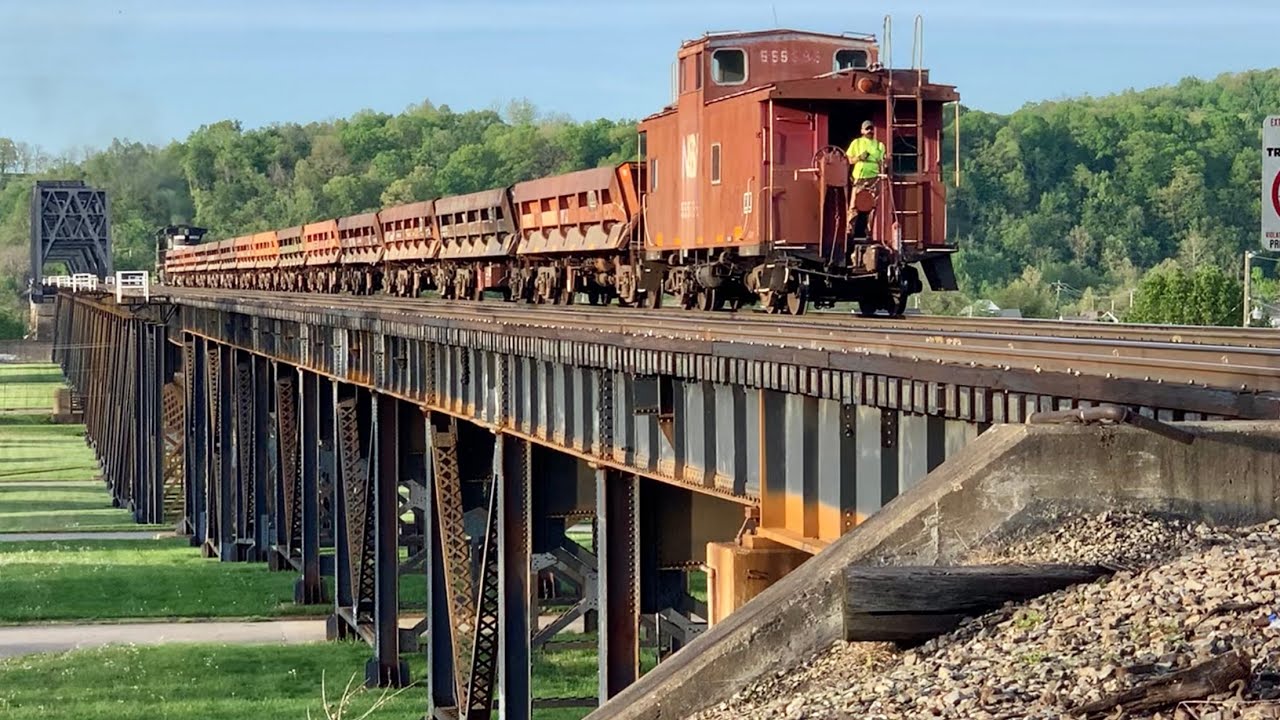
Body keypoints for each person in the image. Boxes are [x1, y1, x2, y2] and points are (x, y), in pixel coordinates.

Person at [846, 120, 886, 239]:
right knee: (854, 206)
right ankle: (849, 232)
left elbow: (883, 161)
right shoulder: (856, 143)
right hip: (859, 179)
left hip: (874, 179)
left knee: (872, 207)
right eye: (867, 129)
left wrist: (884, 166)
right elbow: (848, 160)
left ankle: (869, 233)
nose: (869, 131)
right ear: (862, 131)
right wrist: (859, 158)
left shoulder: (880, 145)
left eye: (871, 128)